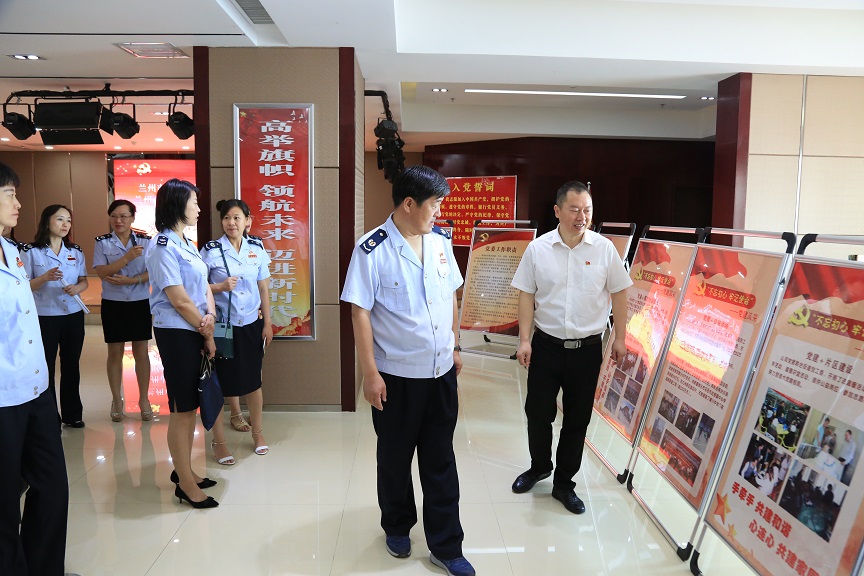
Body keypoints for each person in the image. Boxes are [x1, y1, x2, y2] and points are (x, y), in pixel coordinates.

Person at [340, 166, 475, 576]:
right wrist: (370, 373)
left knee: (440, 460)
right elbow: (360, 313)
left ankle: (447, 546)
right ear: (410, 204)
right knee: (395, 460)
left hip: (440, 374)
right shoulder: (371, 249)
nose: (440, 212)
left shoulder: (440, 242)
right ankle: (397, 527)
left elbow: (451, 296)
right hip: (395, 377)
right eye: (435, 204)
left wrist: (454, 345)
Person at [510, 180, 631, 514]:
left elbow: (620, 293)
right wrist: (524, 340)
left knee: (577, 420)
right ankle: (539, 467)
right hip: (546, 346)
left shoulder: (604, 249)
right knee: (538, 413)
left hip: (587, 350)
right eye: (575, 209)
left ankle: (564, 484)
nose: (582, 217)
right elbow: (526, 295)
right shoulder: (538, 249)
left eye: (587, 210)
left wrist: (620, 338)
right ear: (557, 211)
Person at [0, 162, 76, 576]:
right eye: (9, 194)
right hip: (3, 395)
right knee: (5, 501)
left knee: (52, 488)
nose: (18, 203)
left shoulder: (11, 250)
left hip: (36, 388)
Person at [146, 178, 219, 509]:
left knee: (190, 406)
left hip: (195, 327)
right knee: (182, 408)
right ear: (177, 205)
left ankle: (185, 470)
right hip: (177, 332)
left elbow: (203, 287)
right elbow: (178, 299)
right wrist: (205, 330)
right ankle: (185, 484)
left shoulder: (186, 242)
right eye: (194, 202)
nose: (199, 209)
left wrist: (211, 318)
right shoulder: (163, 245)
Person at [201, 199, 272, 464]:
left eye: (237, 218)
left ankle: (258, 434)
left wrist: (268, 323)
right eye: (227, 218)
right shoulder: (210, 251)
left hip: (251, 324)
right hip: (222, 326)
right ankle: (219, 442)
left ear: (247, 221)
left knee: (254, 382)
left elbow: (263, 288)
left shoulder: (257, 248)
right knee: (220, 384)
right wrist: (220, 287)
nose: (231, 223)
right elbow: (198, 287)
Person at [21, 204, 89, 428]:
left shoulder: (75, 251)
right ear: (47, 221)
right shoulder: (30, 251)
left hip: (73, 314)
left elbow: (84, 280)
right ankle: (49, 418)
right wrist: (44, 278)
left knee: (71, 364)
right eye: (60, 219)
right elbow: (23, 286)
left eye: (68, 220)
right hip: (45, 316)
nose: (65, 224)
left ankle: (72, 414)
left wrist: (77, 289)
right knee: (46, 366)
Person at [92, 200, 153, 422]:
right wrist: (126, 258)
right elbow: (102, 272)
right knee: (114, 353)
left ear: (132, 218)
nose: (118, 220)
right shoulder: (102, 243)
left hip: (139, 301)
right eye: (114, 216)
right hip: (113, 302)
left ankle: (144, 399)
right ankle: (117, 400)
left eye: (124, 216)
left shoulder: (146, 242)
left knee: (141, 353)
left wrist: (132, 280)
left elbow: (153, 272)